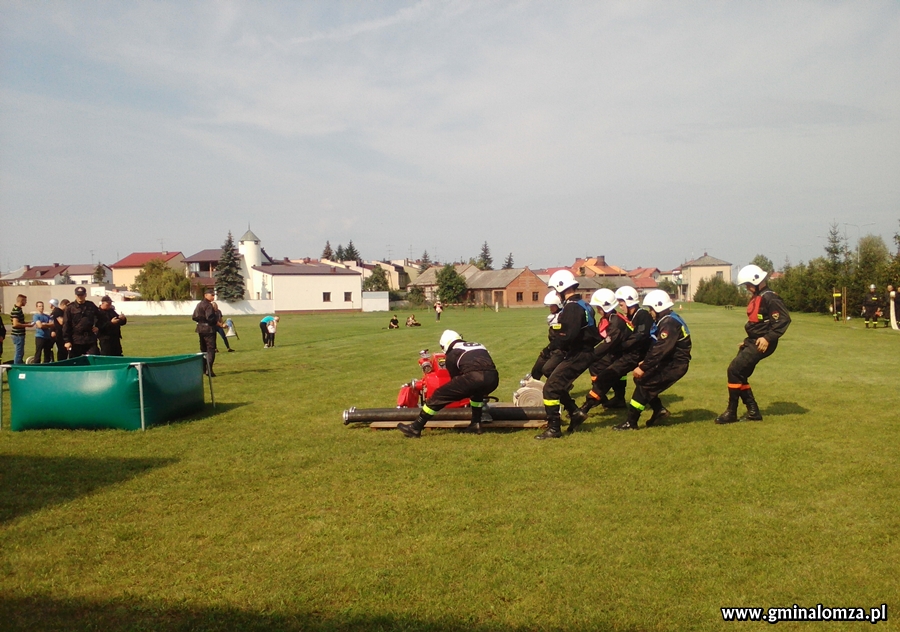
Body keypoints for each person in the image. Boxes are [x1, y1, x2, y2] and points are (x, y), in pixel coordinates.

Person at [715, 265, 791, 424]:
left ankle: (732, 412)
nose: (747, 288)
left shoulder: (771, 297)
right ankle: (753, 412)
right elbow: (758, 322)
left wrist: (767, 338)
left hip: (763, 343)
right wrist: (748, 340)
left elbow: (783, 320)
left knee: (734, 370)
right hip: (754, 340)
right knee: (739, 373)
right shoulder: (760, 295)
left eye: (748, 285)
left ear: (757, 281)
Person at [535, 270, 600, 439]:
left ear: (561, 287)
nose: (557, 294)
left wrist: (550, 349)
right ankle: (574, 412)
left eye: (556, 291)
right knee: (554, 381)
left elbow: (567, 336)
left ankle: (554, 429)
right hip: (584, 352)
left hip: (578, 354)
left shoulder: (571, 307)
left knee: (550, 389)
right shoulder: (584, 305)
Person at [397, 330, 499, 437]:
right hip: (493, 379)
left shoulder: (452, 354)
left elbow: (455, 379)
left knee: (439, 395)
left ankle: (416, 427)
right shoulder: (478, 345)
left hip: (473, 377)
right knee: (477, 394)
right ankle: (476, 423)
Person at [615, 290, 692, 431]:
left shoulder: (668, 323)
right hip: (669, 362)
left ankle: (631, 422)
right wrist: (645, 363)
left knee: (645, 385)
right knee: (641, 381)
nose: (650, 312)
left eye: (651, 309)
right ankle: (659, 410)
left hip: (675, 365)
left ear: (658, 307)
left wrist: (643, 367)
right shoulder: (667, 319)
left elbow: (660, 350)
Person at [577, 288, 637, 422]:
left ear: (605, 306)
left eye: (598, 307)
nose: (597, 310)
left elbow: (608, 343)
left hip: (629, 356)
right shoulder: (610, 318)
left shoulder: (615, 322)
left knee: (604, 378)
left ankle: (585, 408)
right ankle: (618, 399)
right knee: (597, 367)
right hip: (621, 354)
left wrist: (592, 355)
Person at [529, 291, 565, 381]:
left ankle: (563, 385)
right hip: (553, 347)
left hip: (561, 349)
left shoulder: (563, 316)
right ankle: (533, 388)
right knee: (536, 369)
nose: (550, 308)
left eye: (553, 305)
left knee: (547, 369)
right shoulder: (554, 317)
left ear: (559, 305)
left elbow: (561, 337)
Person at [63, 287, 101, 358]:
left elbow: (100, 316)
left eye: (82, 295)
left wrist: (97, 326)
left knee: (94, 359)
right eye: (78, 295)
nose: (80, 297)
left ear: (85, 295)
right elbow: (66, 324)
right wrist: (67, 341)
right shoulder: (70, 308)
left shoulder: (91, 305)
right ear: (75, 295)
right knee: (75, 361)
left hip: (90, 338)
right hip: (76, 339)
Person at [193, 289, 219, 376]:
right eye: (211, 295)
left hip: (200, 329)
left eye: (213, 295)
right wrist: (215, 319)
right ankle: (209, 370)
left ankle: (204, 369)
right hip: (209, 329)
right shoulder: (208, 305)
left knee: (203, 350)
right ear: (205, 295)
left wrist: (201, 321)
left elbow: (194, 317)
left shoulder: (199, 304)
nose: (213, 296)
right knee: (211, 349)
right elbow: (210, 318)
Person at [10, 294, 35, 364]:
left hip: (19, 334)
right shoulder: (16, 310)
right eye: (25, 301)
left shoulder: (19, 310)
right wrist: (27, 325)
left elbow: (20, 322)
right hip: (18, 335)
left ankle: (19, 364)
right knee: (19, 353)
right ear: (22, 301)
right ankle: (17, 367)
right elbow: (15, 324)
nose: (26, 302)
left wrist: (28, 323)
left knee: (20, 352)